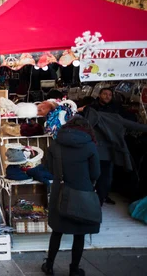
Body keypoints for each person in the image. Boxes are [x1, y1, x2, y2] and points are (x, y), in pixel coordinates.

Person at [42, 116, 101, 276]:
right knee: (79, 234)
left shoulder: (56, 144)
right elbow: (96, 173)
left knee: (57, 231)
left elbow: (50, 168)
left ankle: (49, 265)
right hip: (82, 193)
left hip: (60, 191)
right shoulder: (90, 146)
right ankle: (74, 269)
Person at [79, 98, 147, 206]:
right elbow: (135, 126)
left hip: (90, 153)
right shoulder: (115, 118)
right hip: (108, 153)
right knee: (106, 177)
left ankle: (91, 200)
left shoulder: (84, 120)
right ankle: (101, 199)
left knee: (91, 176)